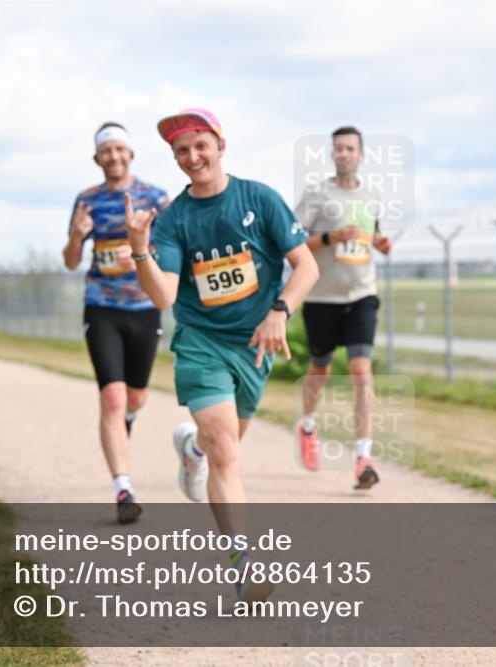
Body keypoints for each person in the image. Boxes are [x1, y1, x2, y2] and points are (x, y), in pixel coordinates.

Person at [125, 108, 319, 602]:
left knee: (223, 447)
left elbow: (306, 268)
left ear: (220, 144)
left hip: (254, 347)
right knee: (228, 452)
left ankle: (192, 451)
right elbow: (164, 297)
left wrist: (280, 310)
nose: (192, 157)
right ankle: (243, 567)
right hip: (201, 343)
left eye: (200, 145)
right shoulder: (174, 221)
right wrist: (141, 249)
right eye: (181, 151)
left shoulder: (259, 198)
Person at [62, 121, 170, 524]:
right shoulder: (86, 200)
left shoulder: (156, 197)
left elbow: (175, 251)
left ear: (131, 154)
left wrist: (143, 252)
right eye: (106, 151)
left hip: (144, 307)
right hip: (101, 305)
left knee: (135, 398)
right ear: (97, 158)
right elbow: (71, 260)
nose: (113, 157)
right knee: (111, 395)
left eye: (119, 150)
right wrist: (76, 237)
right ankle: (123, 488)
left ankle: (125, 422)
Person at [293, 126, 392, 489]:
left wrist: (381, 242)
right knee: (319, 370)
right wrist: (330, 237)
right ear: (333, 155)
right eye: (338, 149)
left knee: (361, 372)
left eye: (350, 148)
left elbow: (372, 235)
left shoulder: (374, 194)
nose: (344, 154)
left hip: (361, 295)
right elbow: (293, 241)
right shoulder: (317, 195)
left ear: (361, 154)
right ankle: (307, 424)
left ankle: (363, 458)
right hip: (322, 299)